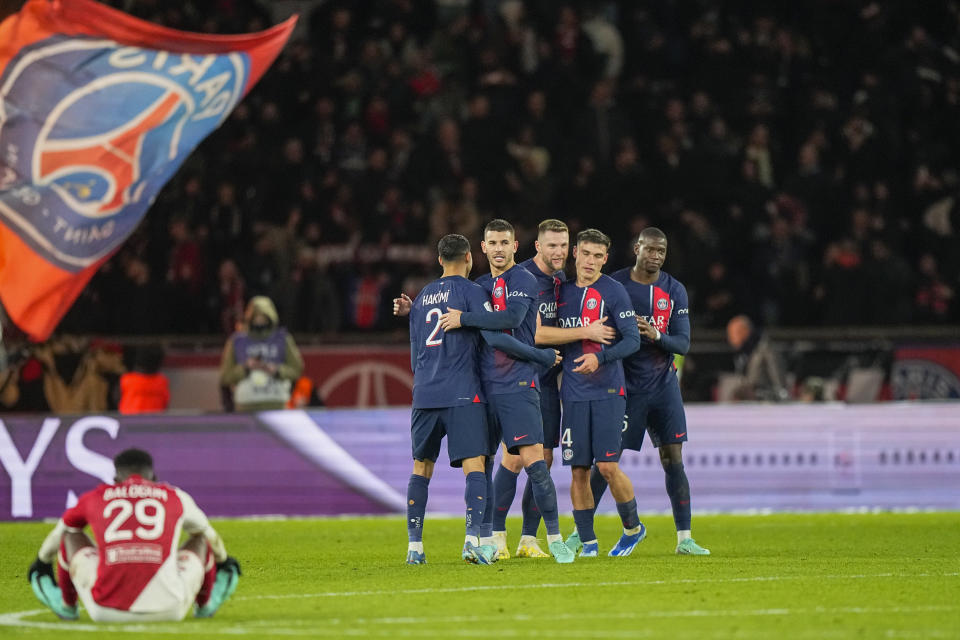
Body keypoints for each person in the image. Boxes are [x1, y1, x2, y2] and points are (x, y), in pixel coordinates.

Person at [393, 234, 560, 565]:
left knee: (420, 468)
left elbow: (414, 359)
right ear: (470, 256)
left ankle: (414, 547)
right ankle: (473, 541)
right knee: (475, 466)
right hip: (463, 392)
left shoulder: (422, 296)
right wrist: (540, 358)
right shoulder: (474, 292)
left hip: (424, 394)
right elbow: (496, 336)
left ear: (439, 260)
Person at [435, 219, 575, 564]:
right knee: (482, 463)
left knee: (535, 461)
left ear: (515, 247)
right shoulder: (480, 286)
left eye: (504, 243)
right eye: (492, 243)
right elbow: (449, 311)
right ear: (482, 248)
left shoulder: (523, 281)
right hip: (483, 387)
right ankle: (492, 539)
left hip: (517, 384)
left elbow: (511, 318)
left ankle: (554, 538)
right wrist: (413, 309)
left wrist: (466, 318)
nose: (498, 248)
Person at [27, 448, 240, 622]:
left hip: (104, 611)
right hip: (170, 609)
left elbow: (61, 530)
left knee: (70, 535)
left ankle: (67, 607)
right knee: (201, 540)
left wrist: (42, 562)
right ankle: (204, 607)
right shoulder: (175, 496)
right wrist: (224, 561)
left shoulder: (95, 497)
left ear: (115, 478)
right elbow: (208, 535)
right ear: (154, 477)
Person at [603, 227, 710, 555]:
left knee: (673, 458)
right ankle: (584, 535)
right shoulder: (615, 285)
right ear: (637, 248)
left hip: (664, 387)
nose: (655, 256)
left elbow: (683, 343)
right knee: (605, 462)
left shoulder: (674, 290)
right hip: (626, 389)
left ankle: (685, 539)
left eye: (661, 252)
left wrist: (656, 335)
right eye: (650, 250)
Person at [540, 228, 644, 557]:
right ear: (575, 254)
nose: (591, 261)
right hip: (572, 393)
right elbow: (549, 332)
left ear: (606, 259)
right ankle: (588, 543)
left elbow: (632, 340)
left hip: (609, 391)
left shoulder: (613, 292)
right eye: (586, 254)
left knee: (608, 467)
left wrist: (600, 357)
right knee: (578, 469)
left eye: (599, 256)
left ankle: (633, 528)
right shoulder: (563, 292)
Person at [219, 296, 304, 411]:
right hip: (246, 407)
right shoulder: (237, 341)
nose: (260, 322)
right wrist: (245, 368)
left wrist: (277, 370)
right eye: (256, 318)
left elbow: (297, 369)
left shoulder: (282, 339)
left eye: (263, 318)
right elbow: (225, 376)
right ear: (250, 318)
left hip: (277, 404)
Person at [726, 315, 789, 401]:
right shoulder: (742, 352)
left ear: (745, 331)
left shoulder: (765, 348)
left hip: (765, 398)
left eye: (734, 333)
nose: (731, 337)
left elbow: (777, 374)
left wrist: (781, 392)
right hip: (750, 398)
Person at [118, 345, 170, 414]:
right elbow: (165, 403)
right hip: (154, 421)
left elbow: (117, 400)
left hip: (130, 421)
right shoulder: (162, 381)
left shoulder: (127, 379)